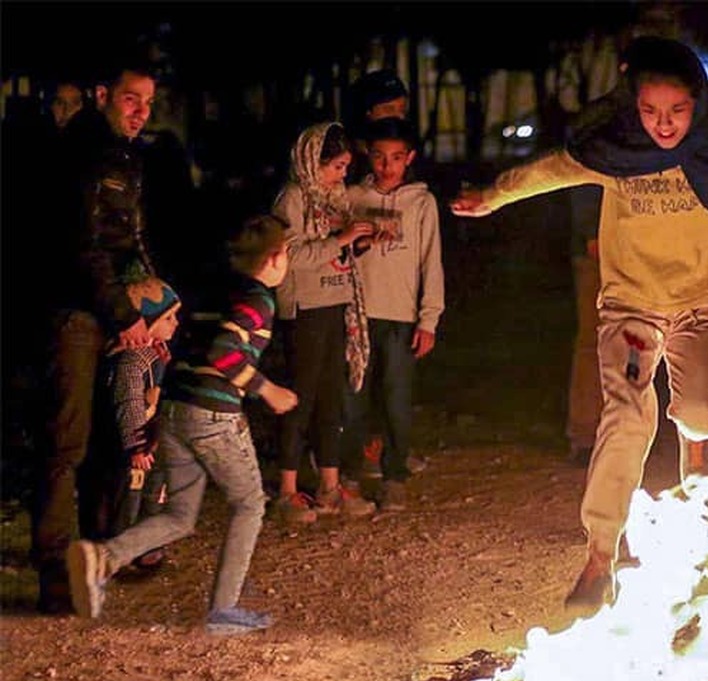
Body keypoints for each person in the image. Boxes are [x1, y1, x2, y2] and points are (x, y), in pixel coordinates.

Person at [451, 36, 708, 611]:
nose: (662, 125)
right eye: (650, 112)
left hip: (701, 302)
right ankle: (601, 554)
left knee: (696, 413)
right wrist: (492, 197)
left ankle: (698, 448)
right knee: (625, 415)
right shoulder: (614, 149)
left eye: (676, 111)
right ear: (632, 107)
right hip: (631, 307)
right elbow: (549, 172)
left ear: (697, 102)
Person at [66, 214, 298, 634]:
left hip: (177, 409)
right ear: (276, 257)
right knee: (249, 504)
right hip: (213, 415)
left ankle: (106, 559)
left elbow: (187, 348)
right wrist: (267, 390)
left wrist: (163, 417)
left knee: (180, 514)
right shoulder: (259, 298)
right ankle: (223, 611)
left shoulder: (217, 288)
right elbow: (225, 353)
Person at [31, 57, 159, 614]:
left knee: (112, 436)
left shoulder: (120, 155)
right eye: (132, 99)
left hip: (108, 312)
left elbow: (125, 241)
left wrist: (152, 306)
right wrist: (122, 312)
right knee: (68, 441)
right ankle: (57, 573)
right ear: (103, 93)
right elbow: (84, 245)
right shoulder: (80, 155)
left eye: (148, 103)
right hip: (75, 315)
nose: (140, 112)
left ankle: (101, 558)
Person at [272, 121, 376, 521]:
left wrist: (359, 243)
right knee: (301, 397)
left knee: (332, 396)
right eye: (336, 166)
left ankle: (330, 487)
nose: (342, 174)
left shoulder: (334, 198)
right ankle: (287, 490)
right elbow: (291, 255)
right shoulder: (293, 198)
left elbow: (338, 250)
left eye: (346, 166)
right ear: (311, 162)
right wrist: (342, 240)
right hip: (305, 308)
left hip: (335, 302)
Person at [341, 117, 444, 510]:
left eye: (397, 158)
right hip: (357, 314)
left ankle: (395, 473)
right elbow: (339, 252)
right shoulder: (351, 197)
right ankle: (349, 472)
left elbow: (430, 262)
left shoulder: (421, 203)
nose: (387, 166)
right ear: (369, 155)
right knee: (353, 395)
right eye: (380, 157)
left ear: (409, 158)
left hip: (401, 316)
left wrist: (428, 318)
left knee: (396, 397)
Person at [95, 277, 182, 570]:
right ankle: (121, 548)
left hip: (151, 440)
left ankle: (148, 543)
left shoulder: (154, 355)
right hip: (134, 446)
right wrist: (135, 444)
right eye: (168, 317)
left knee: (154, 491)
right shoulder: (132, 361)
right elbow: (129, 401)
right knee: (129, 496)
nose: (175, 323)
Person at [565, 185, 603, 466]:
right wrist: (591, 229)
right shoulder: (595, 141)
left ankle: (635, 433)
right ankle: (586, 435)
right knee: (594, 341)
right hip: (601, 245)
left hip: (650, 244)